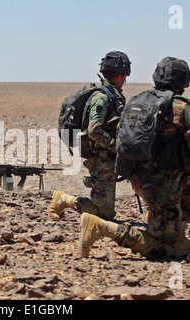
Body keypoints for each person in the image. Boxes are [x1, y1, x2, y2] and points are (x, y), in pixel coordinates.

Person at [79, 57, 190, 260]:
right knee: (161, 249)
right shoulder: (183, 108)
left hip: (137, 178)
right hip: (164, 184)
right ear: (183, 82)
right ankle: (100, 227)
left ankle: (176, 234)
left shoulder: (137, 100)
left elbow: (121, 133)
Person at [48, 51, 131, 221]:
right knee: (104, 215)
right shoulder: (102, 97)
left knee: (105, 212)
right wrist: (116, 146)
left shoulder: (112, 96)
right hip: (100, 159)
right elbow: (94, 130)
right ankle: (64, 199)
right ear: (122, 75)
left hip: (106, 158)